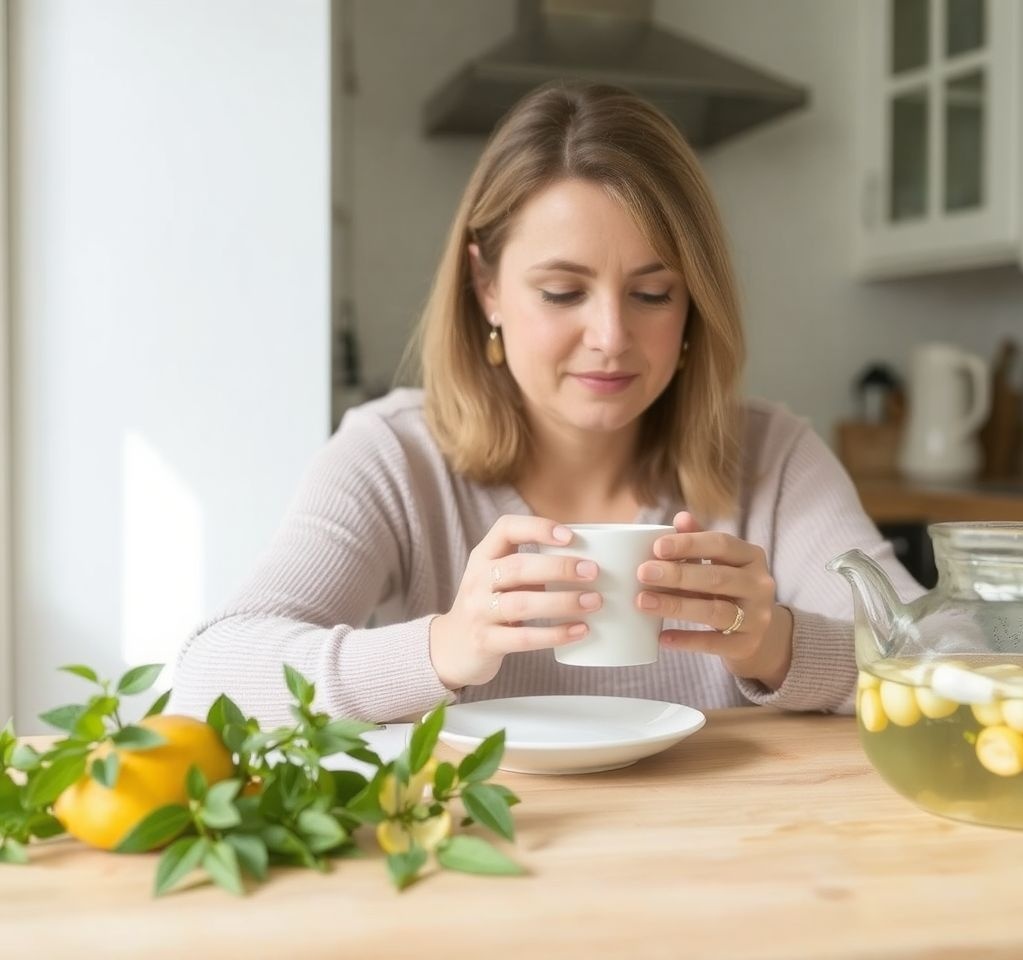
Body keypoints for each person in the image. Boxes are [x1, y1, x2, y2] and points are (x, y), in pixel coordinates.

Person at [170, 82, 920, 726]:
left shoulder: (770, 458)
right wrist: (446, 645)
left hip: (712, 862)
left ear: (695, 302)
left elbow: (947, 661)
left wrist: (779, 643)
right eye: (563, 292)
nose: (611, 336)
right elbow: (210, 680)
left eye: (653, 294)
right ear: (485, 286)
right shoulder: (395, 456)